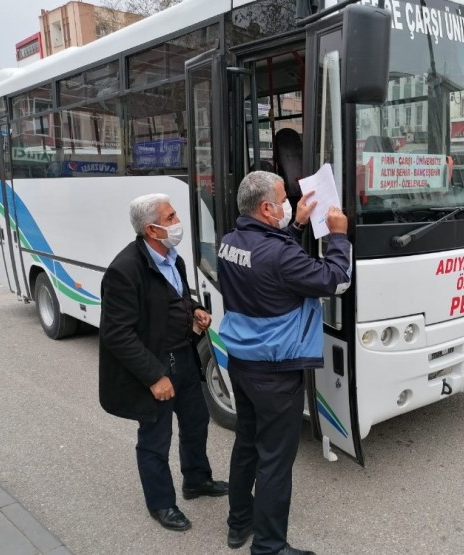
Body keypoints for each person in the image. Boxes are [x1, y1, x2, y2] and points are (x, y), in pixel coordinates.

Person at [219, 171, 352, 555]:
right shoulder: (278, 254)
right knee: (275, 462)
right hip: (276, 372)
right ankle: (270, 548)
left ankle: (238, 524)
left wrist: (295, 225)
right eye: (283, 200)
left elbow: (271, 264)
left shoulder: (231, 242)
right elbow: (335, 280)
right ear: (265, 208)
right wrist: (338, 236)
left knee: (247, 445)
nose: (288, 204)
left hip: (242, 364)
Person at [99, 193, 228, 532]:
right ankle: (161, 504)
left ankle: (197, 480)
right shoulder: (125, 270)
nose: (177, 223)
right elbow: (117, 334)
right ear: (151, 230)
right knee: (156, 440)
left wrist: (195, 310)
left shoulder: (174, 259)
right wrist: (155, 376)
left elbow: (177, 298)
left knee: (196, 423)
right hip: (156, 368)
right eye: (170, 218)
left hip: (184, 357)